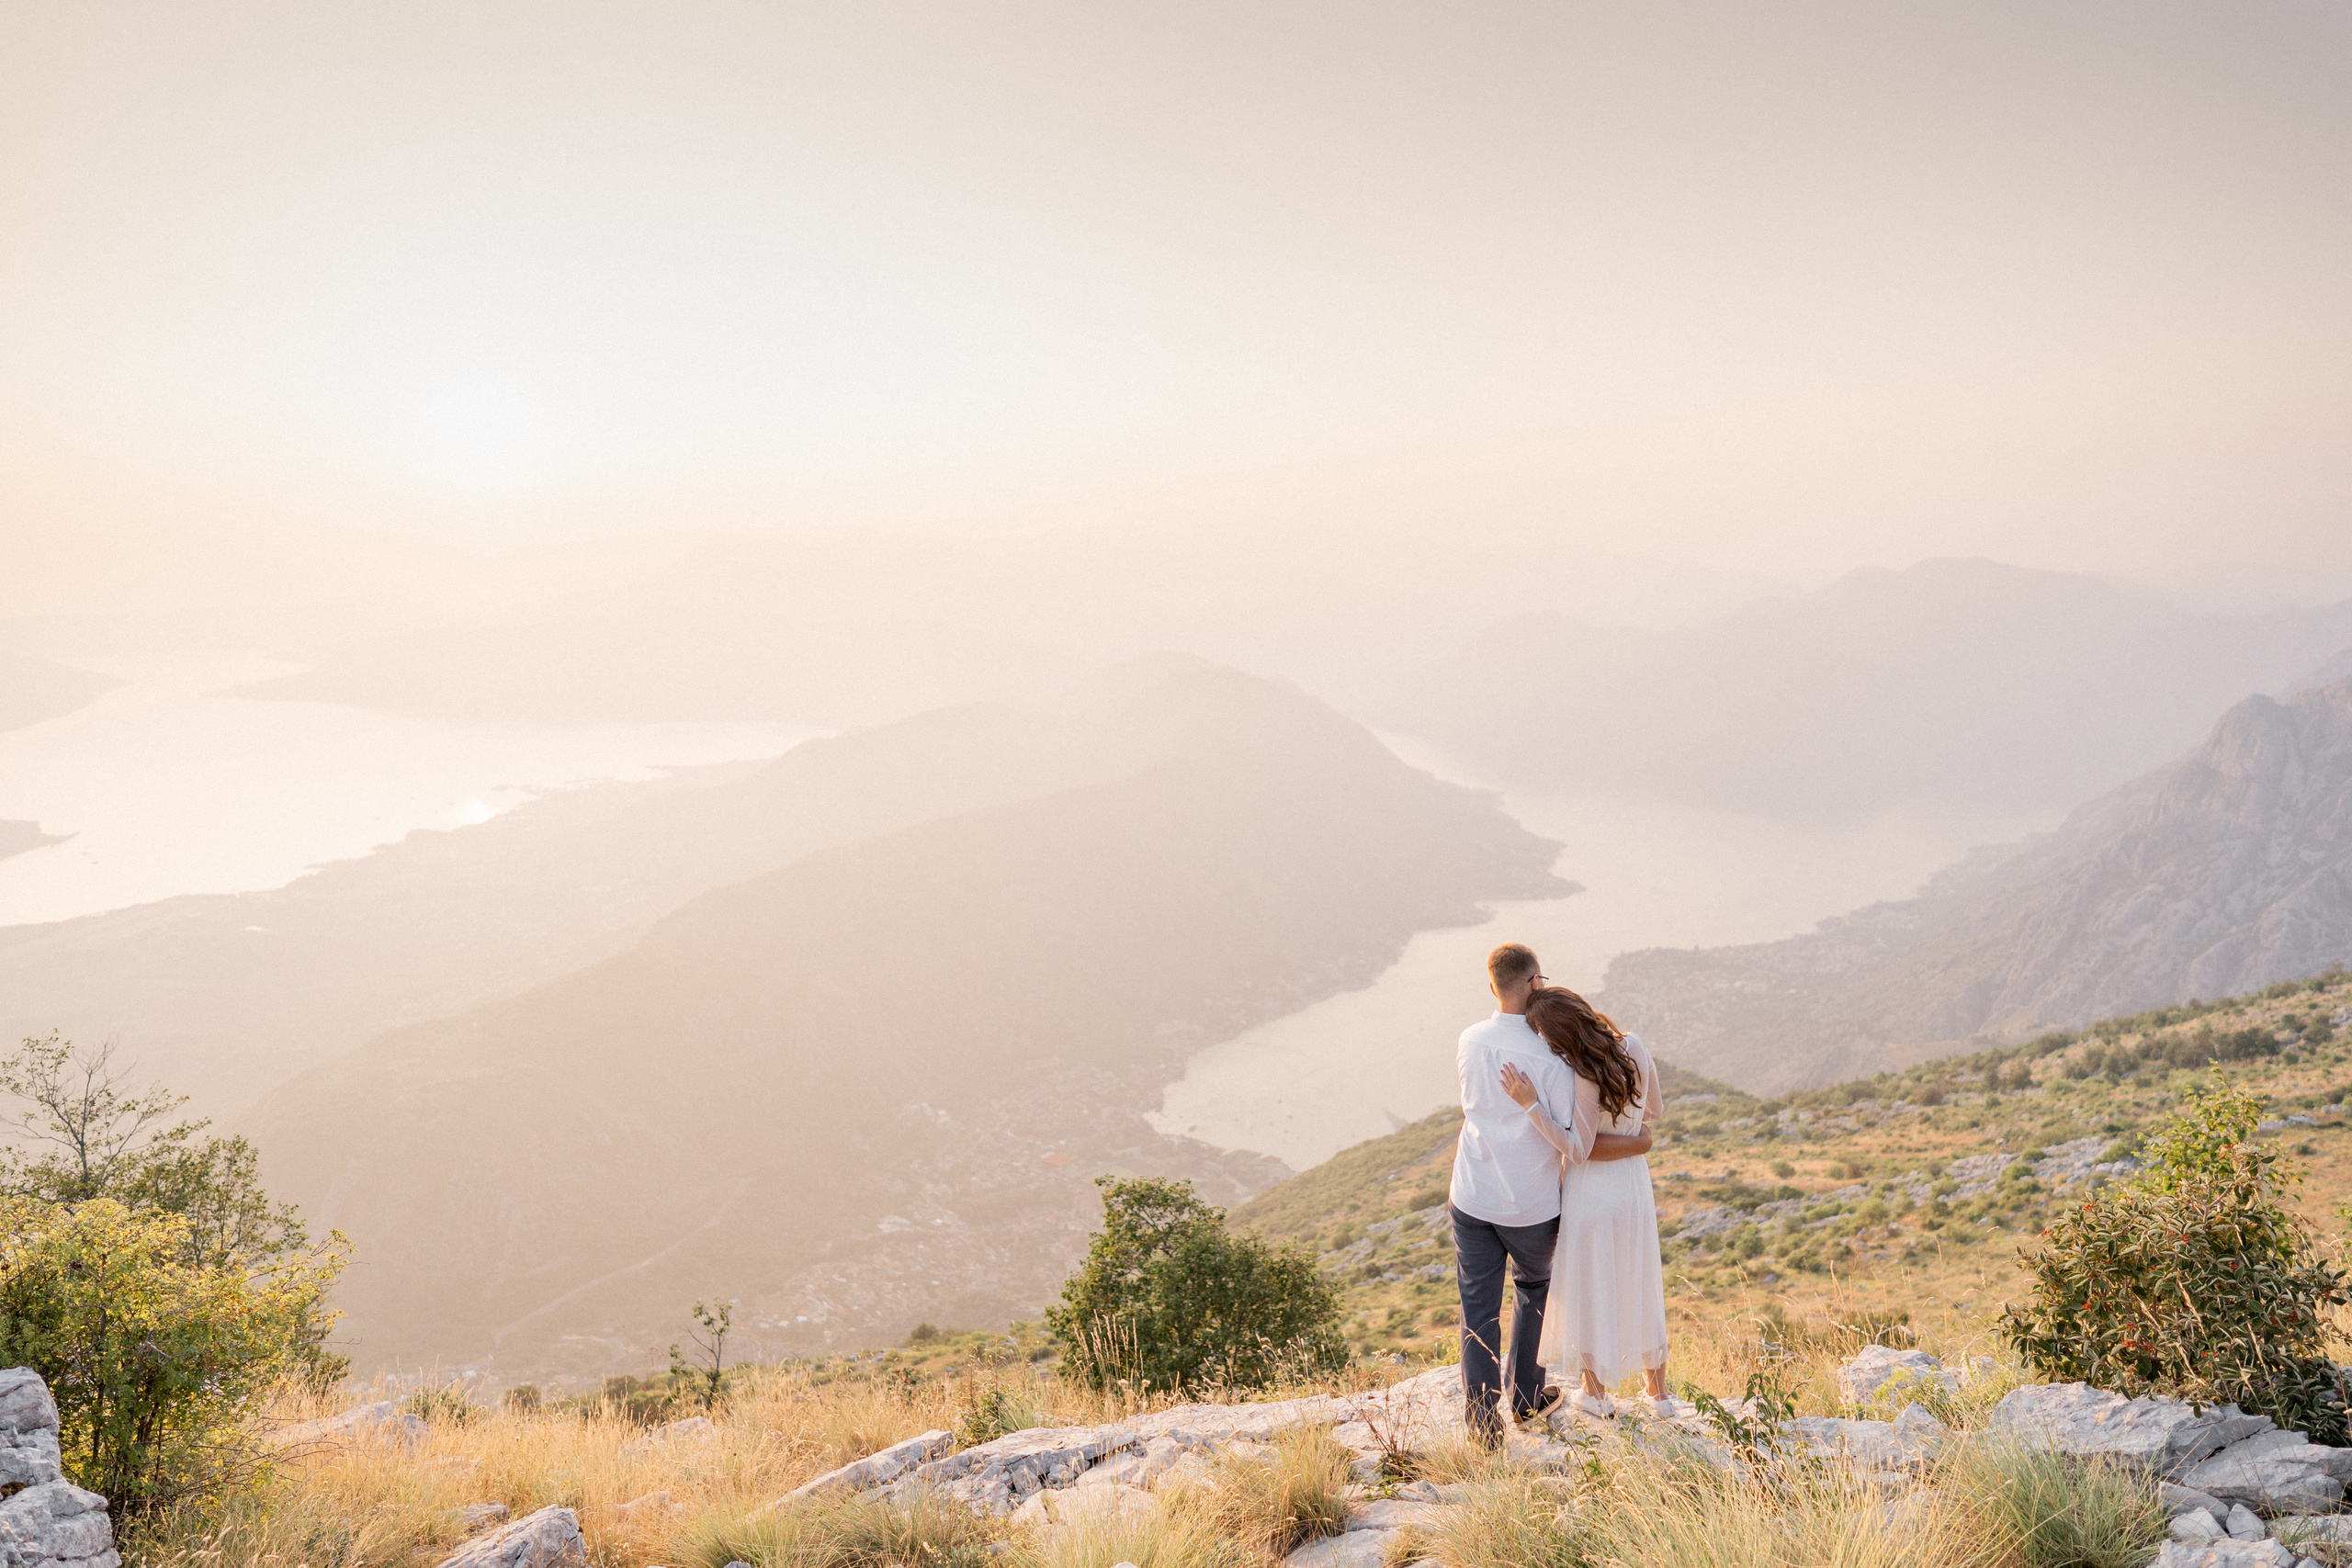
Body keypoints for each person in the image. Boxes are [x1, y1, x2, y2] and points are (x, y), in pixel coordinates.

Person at [1449, 943, 1653, 1444]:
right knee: (1534, 1288)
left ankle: (1482, 1429)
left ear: (1492, 986)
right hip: (1529, 1204)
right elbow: (1575, 1139)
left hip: (1472, 1194)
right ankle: (1526, 1399)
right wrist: (1638, 1142)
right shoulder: (1554, 1059)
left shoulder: (1469, 1040)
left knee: (1477, 1308)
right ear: (1535, 982)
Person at [1503, 985, 1680, 1420]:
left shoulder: (1581, 1073)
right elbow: (1654, 1111)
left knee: (1590, 1285)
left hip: (1590, 1192)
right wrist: (1631, 1130)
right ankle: (1659, 1396)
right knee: (1641, 1279)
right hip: (1633, 1186)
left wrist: (1531, 1106)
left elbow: (1578, 1148)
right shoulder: (1634, 1045)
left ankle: (1596, 1394)